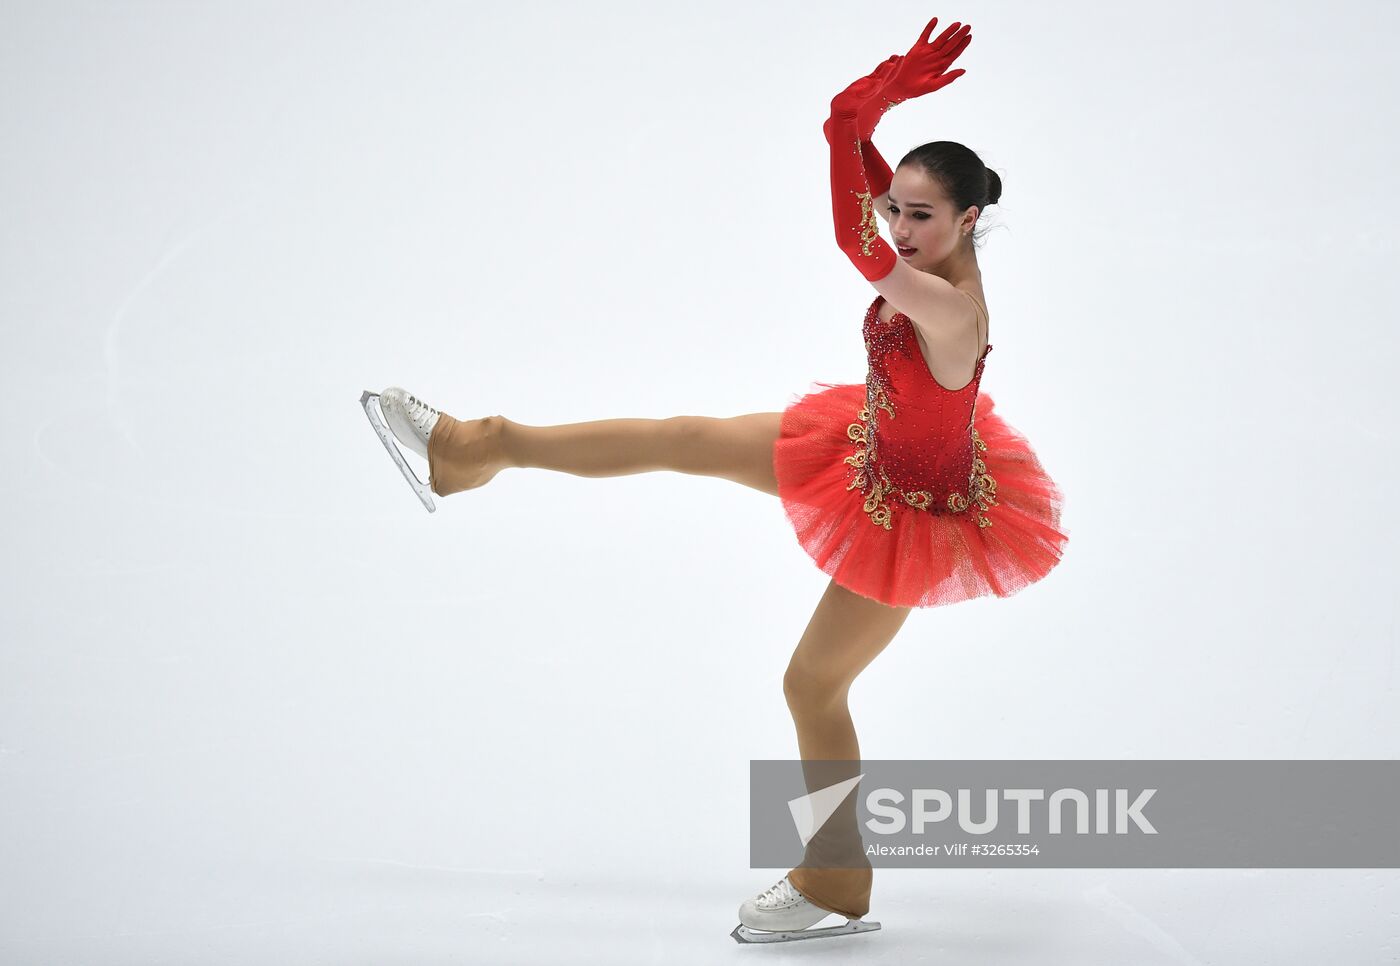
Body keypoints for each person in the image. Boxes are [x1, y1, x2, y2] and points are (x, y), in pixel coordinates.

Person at [362, 15, 1067, 943]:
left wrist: (858, 115)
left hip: (914, 510)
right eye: (896, 206)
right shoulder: (925, 257)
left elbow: (856, 247)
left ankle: (835, 882)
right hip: (864, 444)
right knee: (686, 434)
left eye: (920, 215)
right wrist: (857, 114)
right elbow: (855, 183)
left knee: (811, 688)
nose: (897, 227)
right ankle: (474, 447)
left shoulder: (948, 306)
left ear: (970, 219)